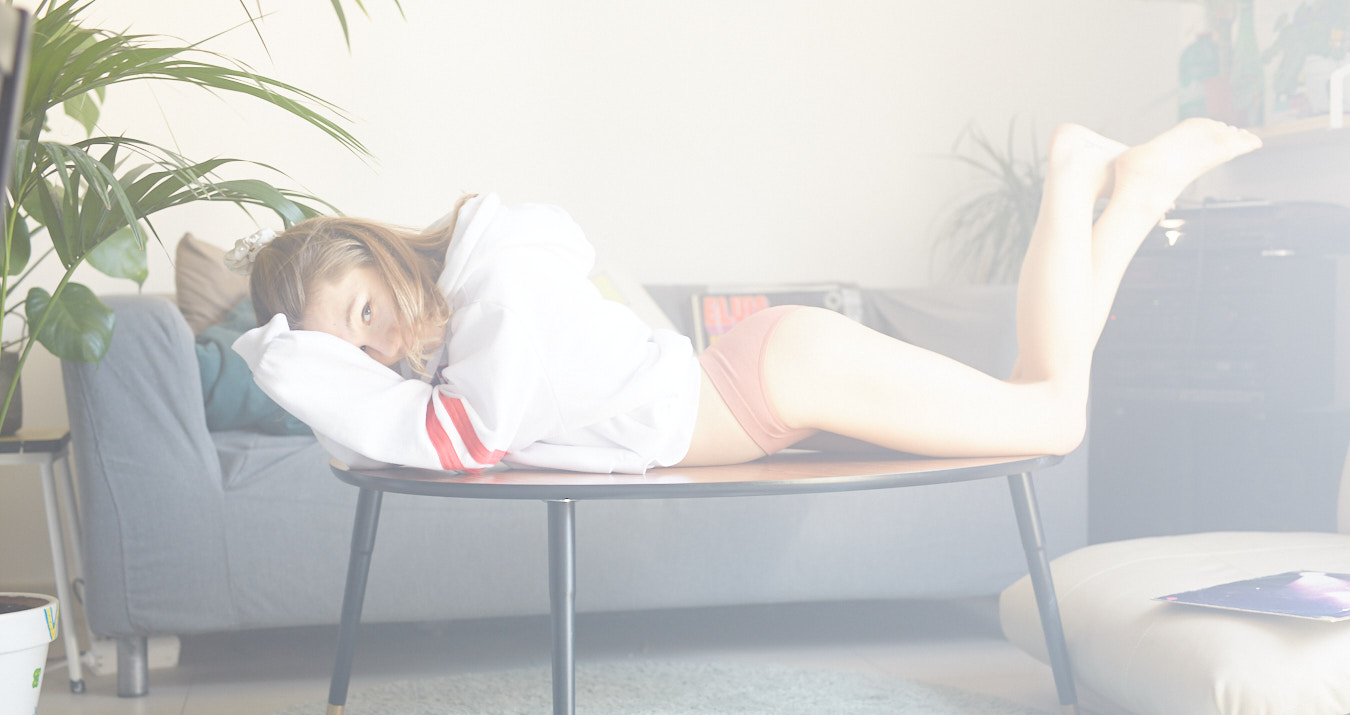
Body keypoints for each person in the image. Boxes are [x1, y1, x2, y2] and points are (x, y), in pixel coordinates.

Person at [231, 119, 1261, 475]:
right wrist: (325, 345)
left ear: (379, 253)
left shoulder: (495, 291)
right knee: (1045, 401)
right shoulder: (476, 302)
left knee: (1051, 414)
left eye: (363, 313)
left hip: (776, 375)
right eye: (354, 354)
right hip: (766, 380)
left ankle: (1087, 183)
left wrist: (276, 355)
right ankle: (1126, 193)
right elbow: (390, 425)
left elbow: (461, 441)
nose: (381, 353)